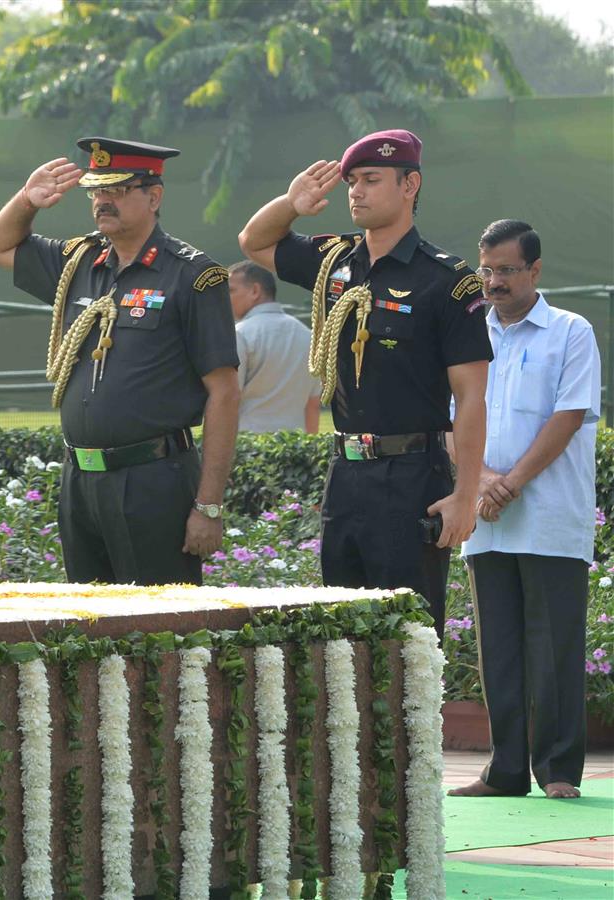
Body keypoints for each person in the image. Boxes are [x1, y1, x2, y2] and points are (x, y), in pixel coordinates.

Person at [237, 129, 491, 638]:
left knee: (407, 640)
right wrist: (292, 203)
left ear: (410, 185)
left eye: (371, 180)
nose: (356, 190)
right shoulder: (335, 261)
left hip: (413, 476)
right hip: (346, 471)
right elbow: (255, 241)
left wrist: (465, 497)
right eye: (352, 180)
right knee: (342, 635)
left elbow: (471, 398)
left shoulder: (447, 280)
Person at [0, 137, 240, 585]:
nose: (103, 200)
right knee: (89, 627)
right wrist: (27, 200)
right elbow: (2, 246)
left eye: (118, 190)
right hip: (80, 480)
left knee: (159, 631)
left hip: (152, 479)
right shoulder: (79, 263)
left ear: (154, 196)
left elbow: (223, 391)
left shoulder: (192, 274)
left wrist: (209, 505)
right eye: (96, 190)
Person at [448, 220, 599, 800]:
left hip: (550, 516)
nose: (494, 282)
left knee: (554, 646)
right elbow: (450, 418)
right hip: (484, 516)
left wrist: (506, 482)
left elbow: (568, 416)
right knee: (500, 650)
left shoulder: (570, 331)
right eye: (486, 270)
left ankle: (559, 770)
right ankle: (505, 770)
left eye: (507, 270)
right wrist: (481, 481)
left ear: (535, 270)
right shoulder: (466, 334)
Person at [228, 260, 321, 433]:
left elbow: (228, 399)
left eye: (231, 290)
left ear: (255, 291)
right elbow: (313, 405)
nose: (225, 298)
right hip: (296, 448)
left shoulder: (239, 334)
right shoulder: (308, 336)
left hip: (247, 448)